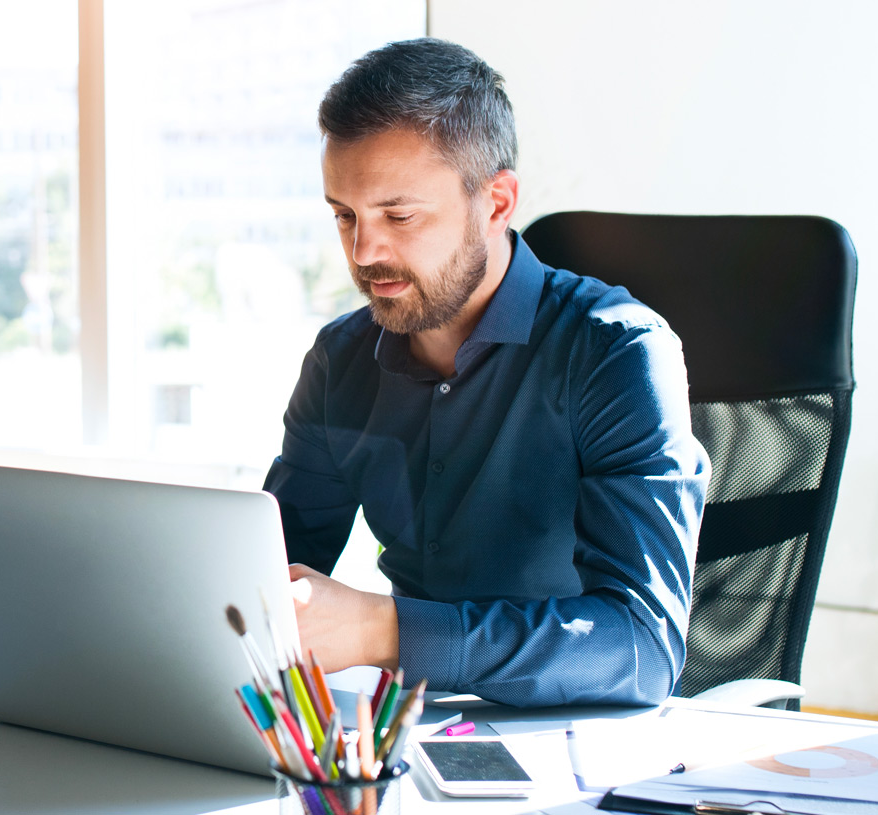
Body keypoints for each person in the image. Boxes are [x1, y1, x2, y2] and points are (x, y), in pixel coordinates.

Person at [268, 39, 709, 708]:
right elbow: (266, 575)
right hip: (411, 733)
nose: (364, 250)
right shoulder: (340, 361)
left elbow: (642, 649)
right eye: (345, 215)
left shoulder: (617, 353)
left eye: (399, 214)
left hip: (584, 740)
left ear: (498, 202)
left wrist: (385, 628)